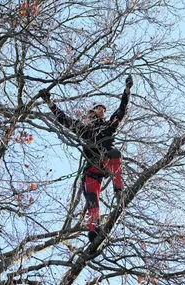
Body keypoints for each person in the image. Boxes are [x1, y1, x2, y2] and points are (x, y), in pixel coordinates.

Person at [40, 75, 133, 242]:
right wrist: (50, 104)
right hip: (91, 170)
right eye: (99, 108)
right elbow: (64, 120)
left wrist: (127, 91)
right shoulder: (84, 130)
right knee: (92, 200)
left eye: (103, 109)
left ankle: (119, 190)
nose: (102, 110)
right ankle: (93, 229)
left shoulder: (109, 126)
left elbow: (121, 111)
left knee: (115, 154)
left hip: (105, 162)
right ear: (92, 113)